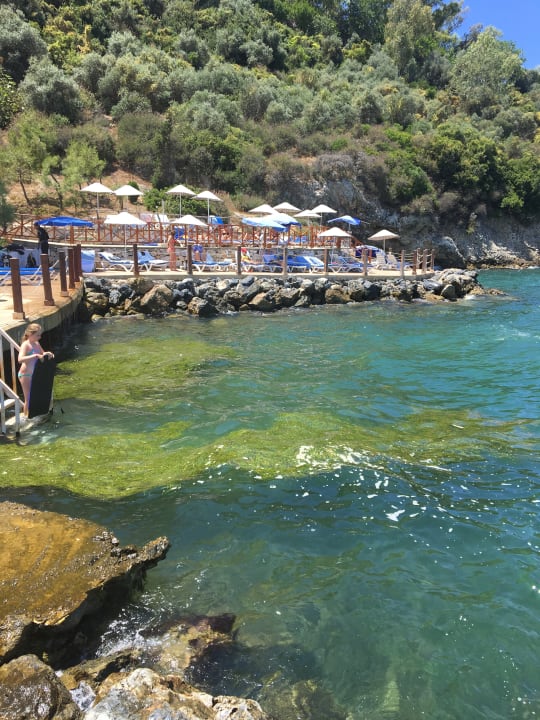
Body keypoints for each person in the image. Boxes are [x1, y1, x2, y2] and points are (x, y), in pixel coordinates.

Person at [17, 323, 54, 417]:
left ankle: (34, 415)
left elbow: (42, 354)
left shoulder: (37, 343)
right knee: (28, 399)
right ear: (30, 334)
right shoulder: (25, 345)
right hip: (25, 375)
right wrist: (35, 355)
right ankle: (26, 417)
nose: (40, 337)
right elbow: (20, 359)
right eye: (38, 335)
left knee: (35, 397)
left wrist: (48, 354)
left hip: (35, 374)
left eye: (40, 335)